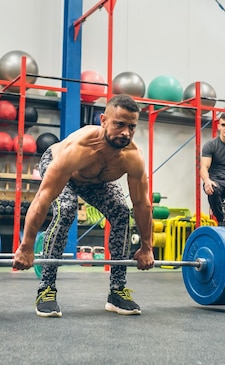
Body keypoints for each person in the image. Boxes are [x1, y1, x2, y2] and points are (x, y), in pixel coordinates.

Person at [13, 94, 154, 317]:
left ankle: (117, 291)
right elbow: (43, 198)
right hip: (63, 171)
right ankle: (46, 289)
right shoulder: (78, 148)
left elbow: (141, 204)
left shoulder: (133, 156)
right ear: (103, 120)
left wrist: (147, 247)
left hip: (95, 182)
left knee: (121, 212)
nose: (126, 132)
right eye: (119, 124)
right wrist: (27, 246)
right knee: (66, 210)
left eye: (131, 127)